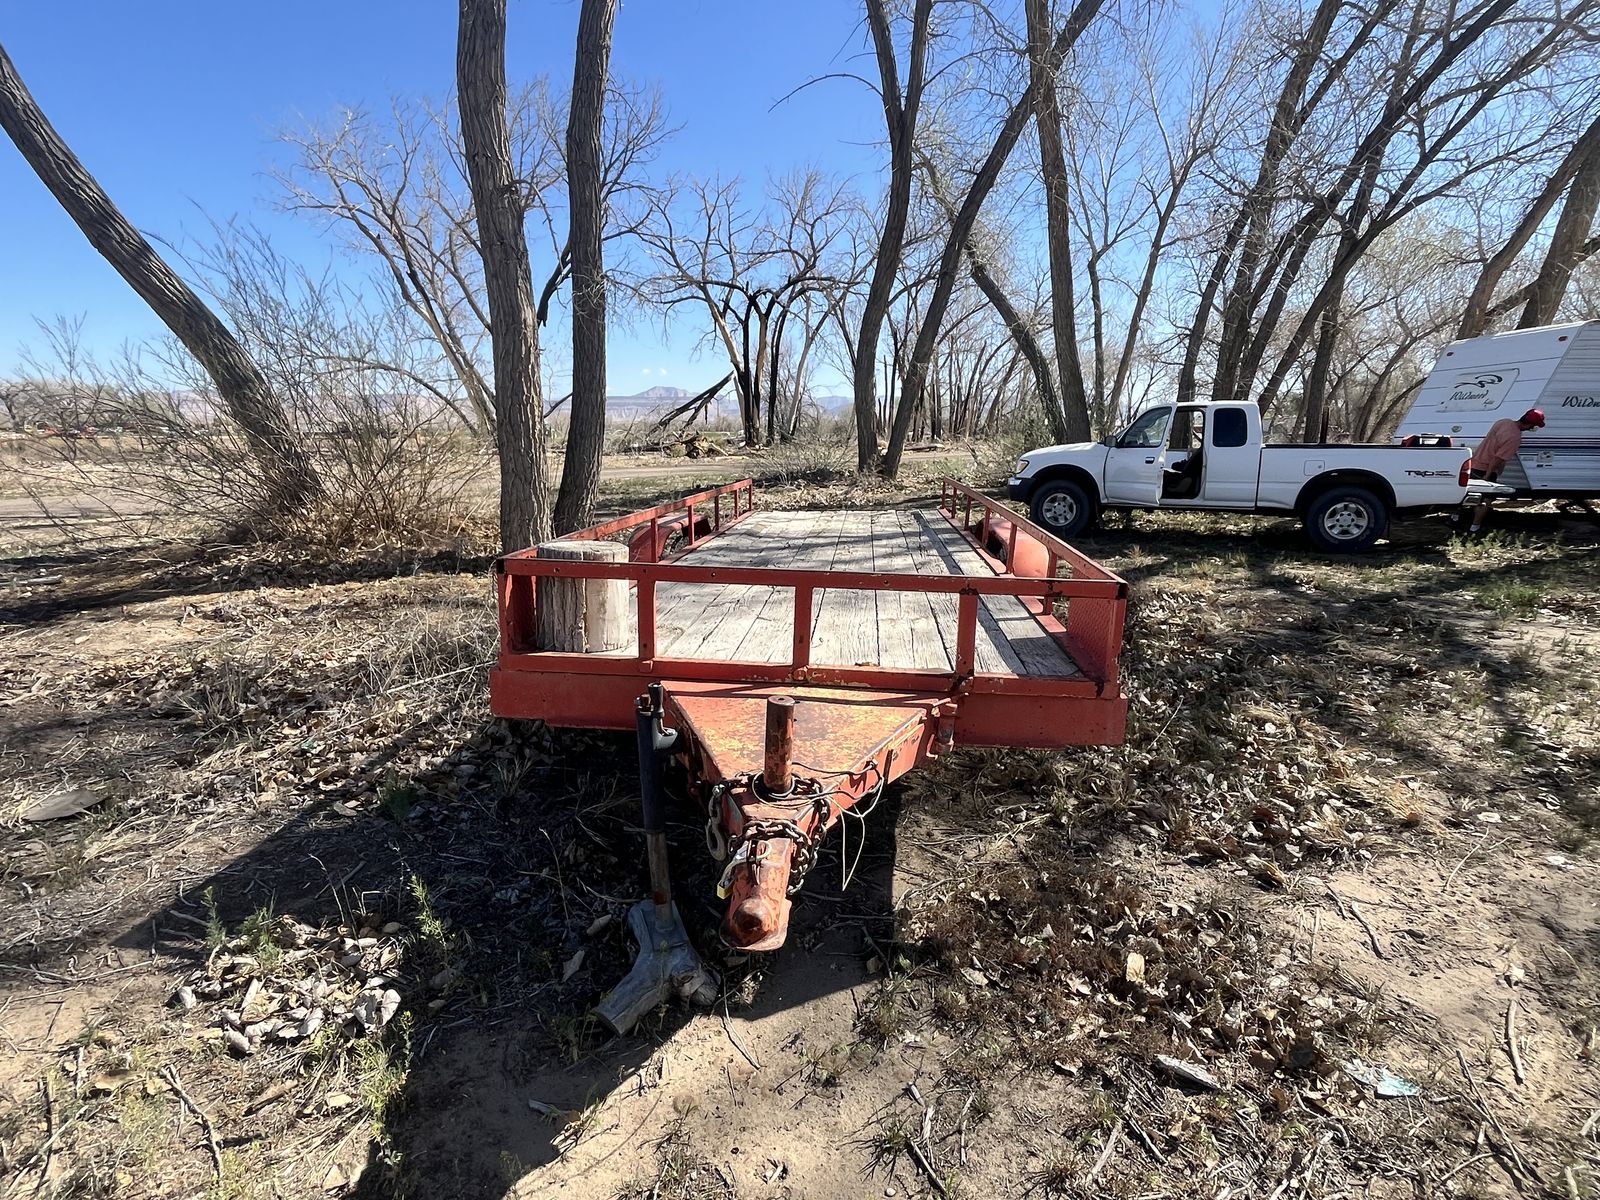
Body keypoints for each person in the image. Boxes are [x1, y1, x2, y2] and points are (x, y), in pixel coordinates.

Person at [1463, 407, 1544, 533]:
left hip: (1474, 462)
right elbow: (1497, 459)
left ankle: (1456, 519)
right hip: (1486, 468)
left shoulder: (1503, 422)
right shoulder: (1514, 438)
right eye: (1534, 426)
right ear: (1530, 425)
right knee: (1485, 500)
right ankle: (1475, 527)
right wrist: (1488, 475)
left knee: (1468, 495)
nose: (1532, 428)